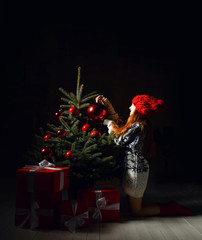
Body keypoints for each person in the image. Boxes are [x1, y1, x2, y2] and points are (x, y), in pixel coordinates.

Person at [96, 94, 192, 217]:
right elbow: (121, 129)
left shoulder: (138, 126)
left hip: (136, 172)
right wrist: (109, 108)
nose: (130, 107)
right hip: (133, 170)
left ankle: (172, 209)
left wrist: (109, 123)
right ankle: (170, 206)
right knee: (134, 209)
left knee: (137, 212)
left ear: (138, 108)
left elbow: (119, 140)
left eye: (133, 105)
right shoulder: (137, 125)